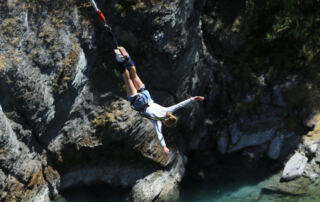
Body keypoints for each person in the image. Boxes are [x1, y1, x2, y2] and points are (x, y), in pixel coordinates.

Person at [114, 47, 205, 155]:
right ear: (165, 123)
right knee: (127, 78)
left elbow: (180, 105)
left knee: (134, 74)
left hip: (146, 95)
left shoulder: (167, 110)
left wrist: (193, 98)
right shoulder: (157, 122)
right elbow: (159, 135)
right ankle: (119, 60)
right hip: (138, 102)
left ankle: (127, 58)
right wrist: (164, 147)